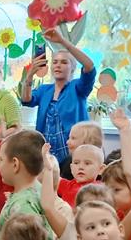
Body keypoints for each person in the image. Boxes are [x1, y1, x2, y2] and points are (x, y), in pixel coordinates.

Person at [20, 28, 97, 164]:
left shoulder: (77, 87)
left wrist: (62, 41)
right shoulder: (45, 90)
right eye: (55, 62)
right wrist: (30, 75)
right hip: (47, 155)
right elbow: (26, 100)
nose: (58, 65)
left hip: (73, 155)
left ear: (73, 68)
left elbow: (89, 66)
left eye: (64, 62)